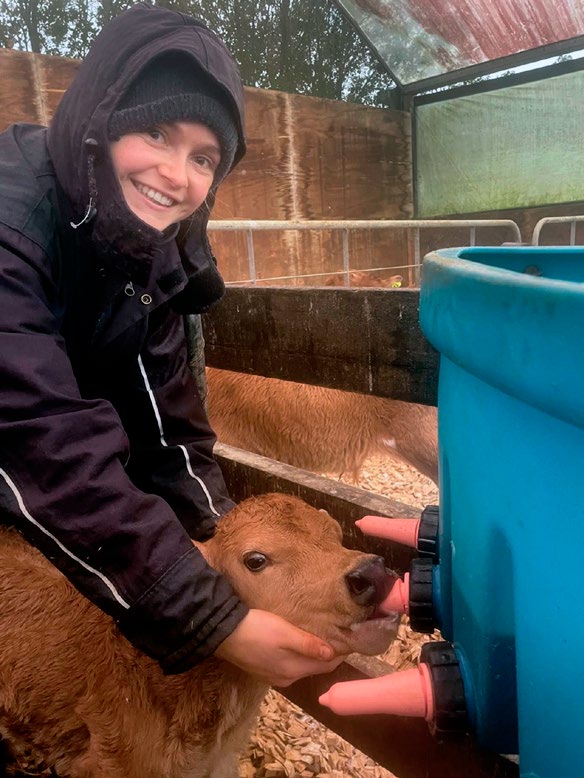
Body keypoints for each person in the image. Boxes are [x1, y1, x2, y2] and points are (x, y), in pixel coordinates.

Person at [0, 2, 342, 685]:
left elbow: (164, 416)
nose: (175, 175)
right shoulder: (12, 226)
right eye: (154, 132)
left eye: (204, 157)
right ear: (100, 120)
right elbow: (34, 431)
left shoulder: (148, 247)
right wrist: (208, 618)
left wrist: (223, 539)